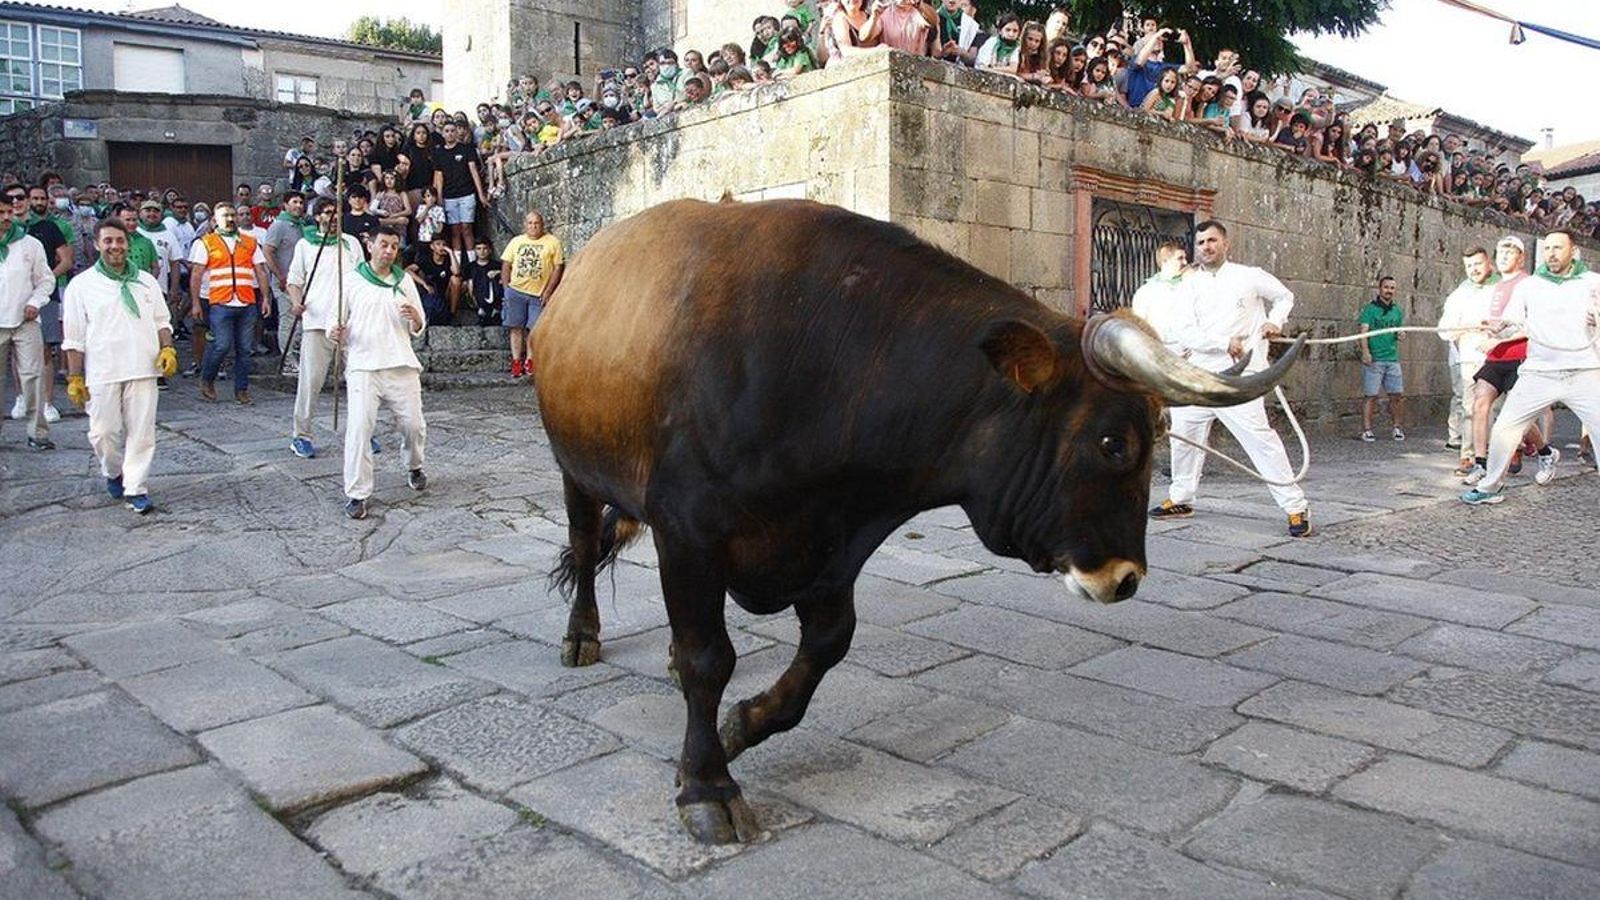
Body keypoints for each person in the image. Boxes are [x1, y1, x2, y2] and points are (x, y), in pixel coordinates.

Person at [1149, 220, 1311, 536]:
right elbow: (1182, 329)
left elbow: (1284, 297)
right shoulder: (1189, 285)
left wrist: (1273, 323)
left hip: (1241, 378)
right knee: (1184, 434)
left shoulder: (1248, 277)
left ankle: (1295, 506)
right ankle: (1181, 497)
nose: (1206, 247)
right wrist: (1221, 343)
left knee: (1259, 440)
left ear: (1226, 244)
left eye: (1212, 241)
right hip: (1198, 374)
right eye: (1201, 243)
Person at [1462, 229, 1600, 504]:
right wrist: (1497, 329)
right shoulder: (1531, 286)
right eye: (1547, 248)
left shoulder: (1593, 282)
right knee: (1505, 429)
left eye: (1558, 248)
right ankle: (1490, 488)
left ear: (1573, 251)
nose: (1551, 253)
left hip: (1584, 370)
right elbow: (1513, 322)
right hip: (1539, 371)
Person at [61, 218, 178, 514]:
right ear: (97, 244)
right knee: (104, 433)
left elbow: (162, 321)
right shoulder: (82, 285)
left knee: (142, 433)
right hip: (103, 371)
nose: (115, 246)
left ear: (128, 244)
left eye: (120, 241)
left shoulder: (146, 281)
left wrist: (167, 348)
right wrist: (75, 376)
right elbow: (73, 338)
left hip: (143, 367)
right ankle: (113, 471)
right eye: (108, 241)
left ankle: (136, 487)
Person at [331, 226, 428, 520]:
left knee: (413, 426)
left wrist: (416, 319)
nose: (388, 251)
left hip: (401, 363)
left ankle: (414, 465)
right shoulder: (350, 280)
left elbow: (420, 324)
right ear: (370, 245)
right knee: (359, 428)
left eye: (394, 246)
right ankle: (357, 493)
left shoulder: (405, 281)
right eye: (383, 244)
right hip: (363, 364)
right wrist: (335, 331)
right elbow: (333, 321)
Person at [286, 198, 363, 460]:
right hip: (318, 322)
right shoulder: (306, 244)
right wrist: (296, 303)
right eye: (328, 213)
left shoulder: (351, 243)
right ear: (318, 217)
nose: (333, 218)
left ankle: (363, 432)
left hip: (349, 323)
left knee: (360, 381)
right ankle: (301, 435)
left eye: (337, 213)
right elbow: (294, 281)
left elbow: (362, 277)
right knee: (311, 382)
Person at [1462, 236, 1536, 484]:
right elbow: (1501, 324)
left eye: (1510, 253)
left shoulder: (1529, 285)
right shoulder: (1497, 287)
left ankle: (1545, 450)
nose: (1504, 257)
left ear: (1521, 258)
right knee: (1480, 403)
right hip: (1495, 357)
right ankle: (1480, 463)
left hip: (1520, 357)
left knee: (1516, 415)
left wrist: (1499, 340)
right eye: (1501, 253)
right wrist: (1489, 328)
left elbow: (1532, 327)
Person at [189, 202, 270, 405]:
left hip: (246, 301)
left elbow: (260, 270)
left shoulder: (250, 242)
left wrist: (266, 297)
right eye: (225, 215)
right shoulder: (206, 242)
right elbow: (197, 273)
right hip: (221, 301)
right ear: (215, 219)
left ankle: (241, 390)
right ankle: (207, 378)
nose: (231, 218)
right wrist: (195, 302)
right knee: (221, 345)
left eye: (233, 214)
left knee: (244, 349)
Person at [0, 194, 57, 450]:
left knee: (33, 376)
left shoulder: (29, 244)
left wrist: (36, 302)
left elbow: (46, 280)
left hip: (26, 319)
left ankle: (38, 433)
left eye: (7, 213)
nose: (4, 218)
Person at [1436, 246, 1499, 473]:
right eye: (1469, 266)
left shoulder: (1502, 289)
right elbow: (1444, 330)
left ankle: (1500, 452)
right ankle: (1469, 455)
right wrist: (1464, 326)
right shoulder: (1459, 295)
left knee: (1498, 409)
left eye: (1478, 264)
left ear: (1489, 263)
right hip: (1471, 358)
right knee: (1471, 407)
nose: (1474, 269)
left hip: (1499, 357)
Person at [500, 211, 564, 378]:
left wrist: (548, 291)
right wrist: (507, 288)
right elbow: (506, 264)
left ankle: (530, 360)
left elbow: (558, 268)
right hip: (516, 291)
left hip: (538, 294)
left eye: (536, 223)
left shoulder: (552, 242)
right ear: (525, 224)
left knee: (533, 329)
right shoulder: (516, 242)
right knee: (516, 327)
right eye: (530, 223)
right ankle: (516, 362)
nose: (533, 226)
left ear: (542, 224)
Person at [1357, 275, 1406, 442]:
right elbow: (1363, 332)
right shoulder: (1370, 309)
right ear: (1380, 289)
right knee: (1370, 395)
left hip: (1392, 359)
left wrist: (1401, 335)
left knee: (1396, 395)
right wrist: (1365, 352)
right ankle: (1367, 429)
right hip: (1375, 359)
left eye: (1392, 288)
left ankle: (1397, 428)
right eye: (1386, 287)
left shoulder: (1397, 310)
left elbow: (1399, 330)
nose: (1389, 291)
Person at [432, 121, 487, 266]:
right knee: (455, 230)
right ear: (443, 134)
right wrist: (439, 198)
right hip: (449, 196)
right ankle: (457, 264)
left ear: (457, 132)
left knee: (467, 228)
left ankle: (473, 263)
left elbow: (474, 171)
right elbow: (438, 177)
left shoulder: (466, 149)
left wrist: (480, 194)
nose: (450, 133)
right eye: (447, 131)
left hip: (467, 194)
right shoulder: (438, 152)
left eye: (452, 130)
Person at [1128, 238, 1190, 354]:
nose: (1185, 263)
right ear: (1165, 261)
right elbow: (1139, 324)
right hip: (1159, 352)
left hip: (1189, 352)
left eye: (1185, 258)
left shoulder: (1190, 286)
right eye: (1180, 258)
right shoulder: (1147, 291)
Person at [405, 235, 461, 325]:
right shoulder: (426, 259)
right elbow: (407, 270)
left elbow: (457, 272)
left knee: (456, 280)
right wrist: (423, 283)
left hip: (446, 292)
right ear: (432, 247)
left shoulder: (449, 259)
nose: (441, 247)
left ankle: (452, 315)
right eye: (438, 244)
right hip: (431, 292)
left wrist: (451, 252)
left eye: (444, 244)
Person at [466, 238, 502, 326]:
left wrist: (498, 272)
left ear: (490, 250)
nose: (482, 252)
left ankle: (493, 310)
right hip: (477, 293)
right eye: (478, 249)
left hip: (493, 294)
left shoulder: (496, 265)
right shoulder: (470, 266)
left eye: (485, 248)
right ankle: (483, 309)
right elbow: (469, 283)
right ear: (475, 250)